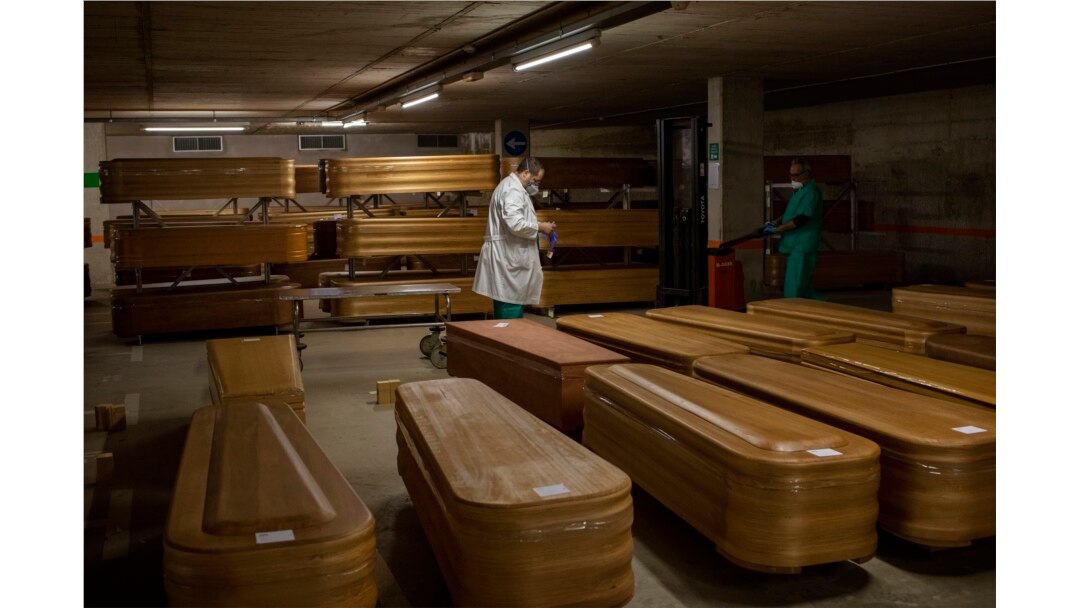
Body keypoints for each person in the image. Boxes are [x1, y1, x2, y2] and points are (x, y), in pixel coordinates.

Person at [472, 156, 556, 319]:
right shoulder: (512, 189)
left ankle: (506, 340)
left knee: (510, 303)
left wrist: (540, 225)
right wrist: (540, 226)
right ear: (525, 173)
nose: (536, 185)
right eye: (535, 180)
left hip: (509, 255)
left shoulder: (514, 188)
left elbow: (517, 218)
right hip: (507, 257)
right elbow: (515, 223)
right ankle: (507, 341)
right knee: (509, 305)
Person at [763, 157, 826, 300]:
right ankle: (818, 306)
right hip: (796, 244)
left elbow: (801, 219)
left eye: (795, 175)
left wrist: (779, 229)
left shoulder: (811, 192)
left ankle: (791, 312)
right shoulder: (800, 191)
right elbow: (790, 213)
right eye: (790, 174)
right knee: (803, 284)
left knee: (795, 284)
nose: (792, 178)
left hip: (803, 244)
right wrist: (775, 222)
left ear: (807, 174)